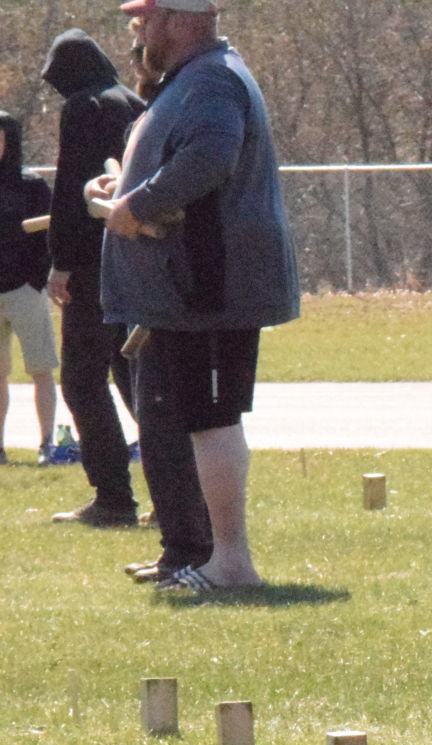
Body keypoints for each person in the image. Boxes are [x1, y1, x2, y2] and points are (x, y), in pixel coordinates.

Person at [96, 0, 299, 592]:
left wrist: (138, 204)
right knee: (192, 417)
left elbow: (211, 157)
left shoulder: (211, 78)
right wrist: (124, 183)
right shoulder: (193, 78)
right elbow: (185, 153)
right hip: (184, 287)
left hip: (211, 282)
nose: (138, 28)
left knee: (212, 419)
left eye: (147, 17)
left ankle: (231, 562)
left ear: (181, 21)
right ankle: (199, 555)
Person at [42, 28, 148, 526]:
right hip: (138, 257)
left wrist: (61, 262)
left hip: (90, 263)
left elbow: (71, 191)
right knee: (135, 376)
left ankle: (113, 498)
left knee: (83, 380)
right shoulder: (131, 100)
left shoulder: (83, 107)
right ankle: (179, 491)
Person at [0, 113, 59, 466]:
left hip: (26, 288)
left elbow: (49, 236)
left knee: (41, 369)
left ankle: (47, 443)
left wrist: (38, 277)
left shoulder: (32, 186)